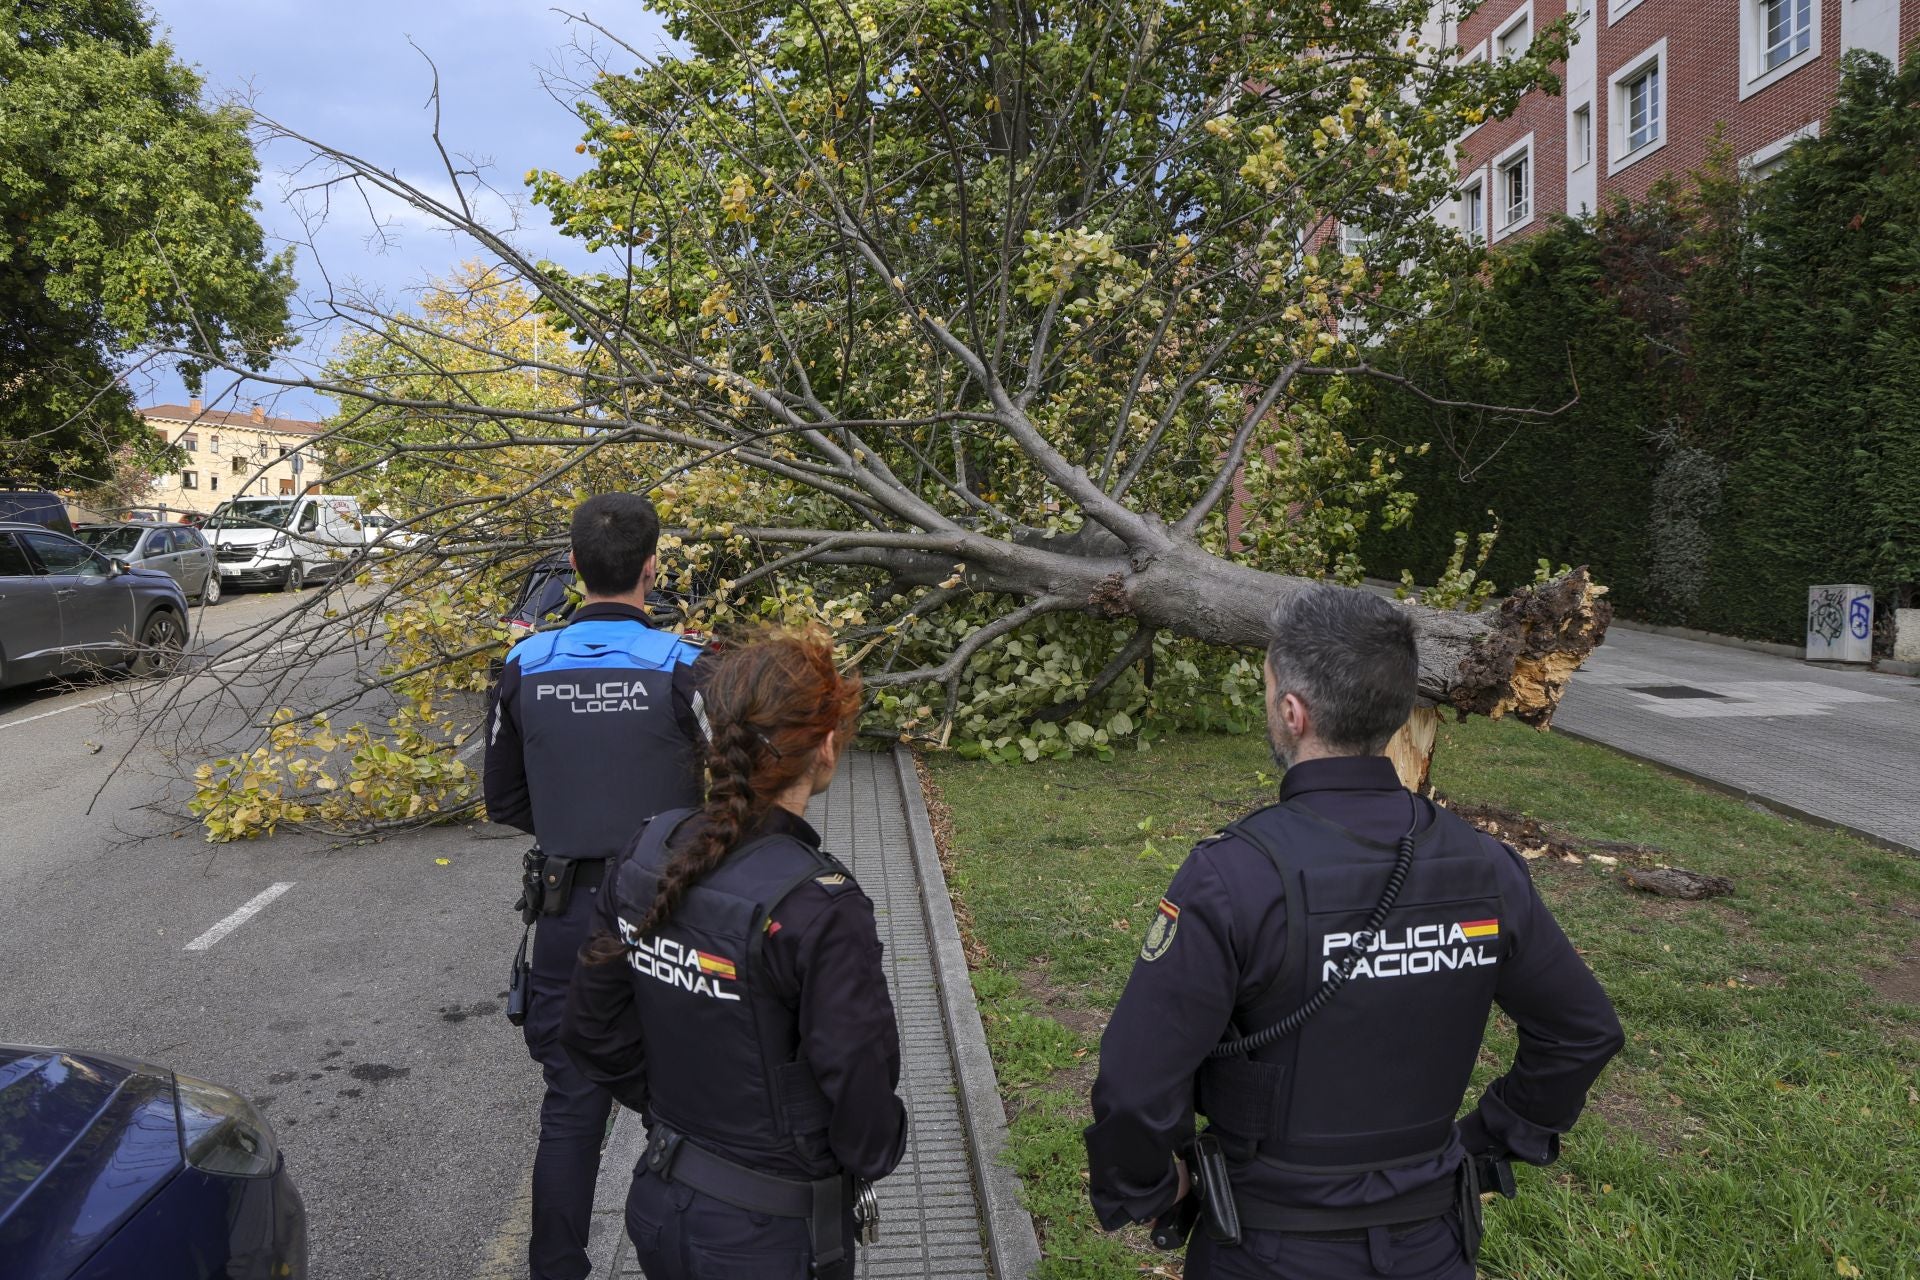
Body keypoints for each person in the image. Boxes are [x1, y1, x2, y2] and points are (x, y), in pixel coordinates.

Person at [1085, 583, 1625, 1279]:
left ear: (1292, 712)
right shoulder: (1487, 867)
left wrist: (1153, 1191)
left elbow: (1135, 1085)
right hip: (1432, 1245)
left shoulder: (1232, 877)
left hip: (1270, 1249)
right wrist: (1486, 1144)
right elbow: (1582, 1030)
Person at [560, 629, 908, 1280]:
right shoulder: (819, 906)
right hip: (772, 1237)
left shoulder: (648, 852)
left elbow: (590, 1032)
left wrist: (688, 1115)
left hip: (662, 1200)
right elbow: (860, 1087)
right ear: (827, 747)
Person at [484, 493, 709, 1280]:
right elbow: (731, 795)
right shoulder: (688, 668)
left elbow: (505, 801)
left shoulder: (522, 665)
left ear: (573, 567)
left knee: (572, 1109)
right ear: (655, 567)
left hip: (568, 918)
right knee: (682, 1107)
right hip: (673, 914)